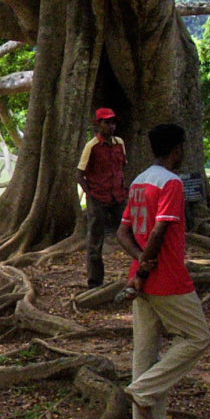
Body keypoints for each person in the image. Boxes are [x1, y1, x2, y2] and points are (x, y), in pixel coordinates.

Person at [116, 123, 210, 419]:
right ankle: (142, 390)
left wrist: (139, 261)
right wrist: (146, 266)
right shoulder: (171, 183)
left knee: (145, 350)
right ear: (177, 149)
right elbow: (160, 230)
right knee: (198, 337)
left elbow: (123, 232)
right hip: (166, 278)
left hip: (141, 277)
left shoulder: (139, 181)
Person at [77, 107, 127, 289]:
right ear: (98, 124)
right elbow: (80, 174)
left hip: (118, 196)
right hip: (98, 198)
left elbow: (122, 167)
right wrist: (91, 195)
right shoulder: (92, 146)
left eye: (113, 122)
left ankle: (138, 274)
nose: (111, 126)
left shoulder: (120, 143)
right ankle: (95, 282)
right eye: (106, 122)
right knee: (95, 240)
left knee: (130, 232)